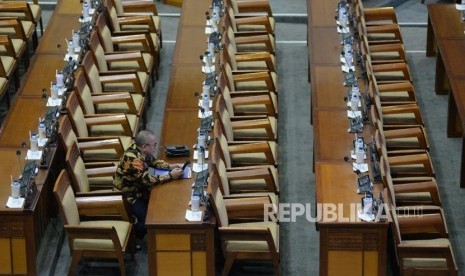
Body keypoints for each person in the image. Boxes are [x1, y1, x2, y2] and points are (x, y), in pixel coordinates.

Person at [114, 130, 184, 244]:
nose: (156, 147)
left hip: (139, 188)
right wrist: (170, 176)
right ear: (144, 146)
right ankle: (132, 236)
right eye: (154, 145)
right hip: (129, 195)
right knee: (148, 221)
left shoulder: (141, 151)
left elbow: (153, 162)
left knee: (162, 202)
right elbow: (146, 181)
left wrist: (170, 166)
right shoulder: (134, 160)